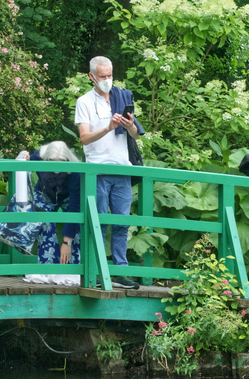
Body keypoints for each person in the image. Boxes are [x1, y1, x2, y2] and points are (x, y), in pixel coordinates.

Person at [75, 56, 144, 289]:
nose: (107, 80)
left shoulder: (122, 96)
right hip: (97, 169)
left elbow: (135, 135)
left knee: (122, 223)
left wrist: (129, 124)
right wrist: (108, 127)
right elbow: (84, 138)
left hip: (122, 167)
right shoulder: (84, 101)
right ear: (91, 76)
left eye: (110, 75)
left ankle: (119, 271)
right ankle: (95, 271)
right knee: (99, 223)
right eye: (102, 76)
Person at [16, 142, 81, 265]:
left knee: (76, 227)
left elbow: (75, 207)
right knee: (45, 223)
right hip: (44, 193)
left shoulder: (75, 172)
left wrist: (67, 242)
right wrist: (24, 157)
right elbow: (24, 163)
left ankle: (73, 269)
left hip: (67, 196)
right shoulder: (39, 157)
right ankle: (48, 267)